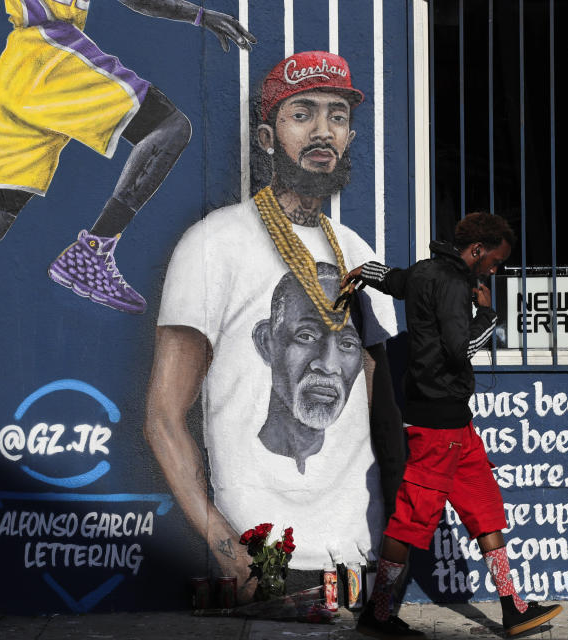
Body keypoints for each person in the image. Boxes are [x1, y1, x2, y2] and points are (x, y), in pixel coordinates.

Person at [0, 0, 254, 404]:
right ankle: (92, 251)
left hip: (18, 68)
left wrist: (196, 15)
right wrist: (197, 14)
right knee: (169, 126)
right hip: (51, 50)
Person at [143, 51, 404, 601]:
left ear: (351, 136)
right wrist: (223, 543)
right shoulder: (214, 245)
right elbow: (164, 417)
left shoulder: (357, 252)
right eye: (302, 114)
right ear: (266, 137)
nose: (323, 132)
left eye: (337, 116)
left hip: (355, 566)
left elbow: (384, 412)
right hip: (254, 572)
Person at [341, 212, 563, 638]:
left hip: (457, 426)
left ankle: (513, 607)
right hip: (436, 427)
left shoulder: (425, 272)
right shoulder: (455, 284)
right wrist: (487, 316)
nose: (495, 270)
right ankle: (379, 612)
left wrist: (364, 272)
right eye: (494, 262)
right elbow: (460, 350)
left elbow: (396, 280)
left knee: (485, 509)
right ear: (476, 250)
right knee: (410, 519)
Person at [253, 263, 365, 473]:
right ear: (267, 343)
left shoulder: (361, 473)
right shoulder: (239, 463)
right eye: (307, 336)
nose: (329, 365)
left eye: (347, 344)